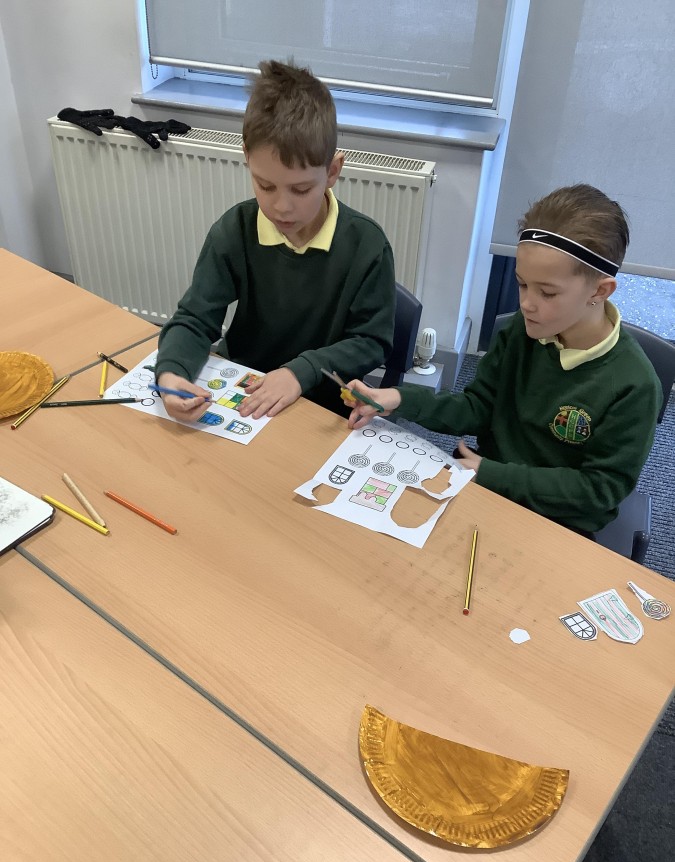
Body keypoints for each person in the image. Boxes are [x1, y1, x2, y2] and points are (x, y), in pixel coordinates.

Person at [344, 184, 662, 536]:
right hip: (486, 486)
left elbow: (600, 489)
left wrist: (492, 473)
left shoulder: (634, 384)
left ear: (600, 291)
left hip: (560, 521)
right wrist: (400, 398)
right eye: (522, 284)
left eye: (547, 292)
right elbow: (478, 407)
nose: (526, 303)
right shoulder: (519, 332)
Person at [154, 59, 395, 421]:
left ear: (332, 171)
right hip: (243, 390)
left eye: (301, 189)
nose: (281, 207)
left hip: (319, 405)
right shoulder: (235, 229)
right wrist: (171, 374)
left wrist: (300, 372)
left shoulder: (366, 245)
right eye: (265, 185)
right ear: (247, 158)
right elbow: (195, 318)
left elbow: (372, 342)